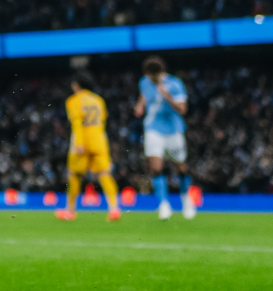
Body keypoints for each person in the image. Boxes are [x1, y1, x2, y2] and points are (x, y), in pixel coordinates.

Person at [134, 56, 195, 220]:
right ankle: (164, 205)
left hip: (173, 131)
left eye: (153, 76)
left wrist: (167, 97)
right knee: (156, 168)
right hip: (153, 129)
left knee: (181, 168)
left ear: (160, 73)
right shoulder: (144, 82)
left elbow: (182, 109)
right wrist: (140, 105)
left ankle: (186, 199)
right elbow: (144, 95)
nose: (150, 78)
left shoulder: (175, 85)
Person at [57, 77, 122, 222]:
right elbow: (102, 121)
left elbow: (77, 122)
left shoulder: (73, 100)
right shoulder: (98, 100)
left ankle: (70, 211)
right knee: (105, 174)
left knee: (74, 175)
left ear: (76, 85)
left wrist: (79, 143)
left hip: (82, 140)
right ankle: (114, 209)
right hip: (99, 140)